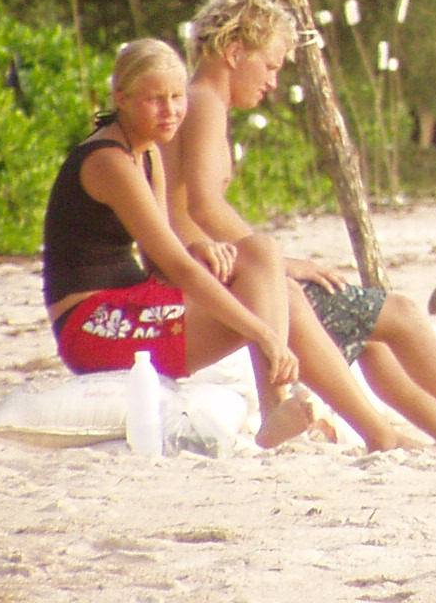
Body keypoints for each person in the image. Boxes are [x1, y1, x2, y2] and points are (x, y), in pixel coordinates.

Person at [167, 0, 436, 443]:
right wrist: (279, 263)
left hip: (218, 275)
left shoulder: (202, 104)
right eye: (272, 66)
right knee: (400, 313)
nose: (274, 82)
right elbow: (202, 204)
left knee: (375, 342)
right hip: (214, 283)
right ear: (236, 52)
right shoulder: (203, 104)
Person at [42, 39, 413, 450]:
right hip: (91, 325)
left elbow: (159, 261)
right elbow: (177, 271)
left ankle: (365, 429)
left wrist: (198, 249)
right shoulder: (109, 161)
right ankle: (311, 419)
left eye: (177, 97)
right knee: (271, 290)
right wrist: (267, 336)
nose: (171, 111)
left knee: (263, 255)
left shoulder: (145, 153)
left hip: (131, 297)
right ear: (122, 99)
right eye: (155, 100)